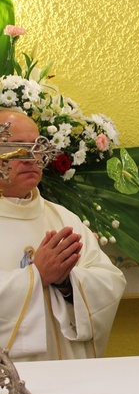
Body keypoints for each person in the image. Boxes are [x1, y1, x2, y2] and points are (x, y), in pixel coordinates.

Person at [0, 110, 126, 361]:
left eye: (37, 147)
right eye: (17, 148)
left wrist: (68, 283)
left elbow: (110, 281)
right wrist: (37, 275)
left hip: (66, 372)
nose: (31, 158)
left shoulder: (63, 219)